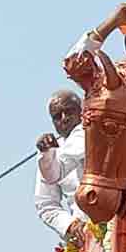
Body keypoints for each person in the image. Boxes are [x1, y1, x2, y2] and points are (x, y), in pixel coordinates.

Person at [33, 90, 88, 242]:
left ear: (82, 111)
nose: (64, 119)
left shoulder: (102, 133)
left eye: (69, 112)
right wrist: (70, 225)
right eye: (57, 116)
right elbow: (45, 204)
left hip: (119, 221)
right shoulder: (49, 154)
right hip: (84, 236)